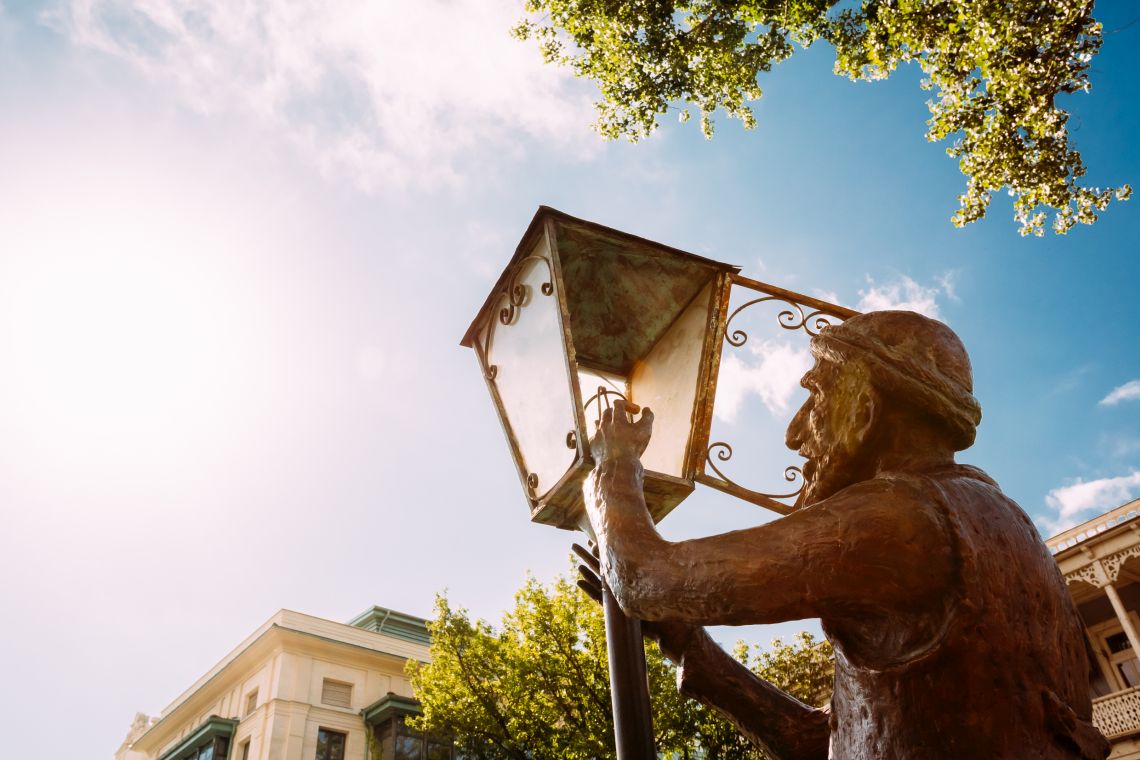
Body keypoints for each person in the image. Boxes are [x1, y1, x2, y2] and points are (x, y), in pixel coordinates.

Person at [577, 310, 1109, 760]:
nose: (794, 432)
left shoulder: (901, 521)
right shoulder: (999, 525)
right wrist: (686, 643)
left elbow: (643, 574)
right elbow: (829, 743)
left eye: (815, 397)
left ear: (866, 408)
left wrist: (613, 467)